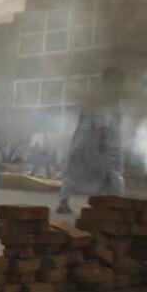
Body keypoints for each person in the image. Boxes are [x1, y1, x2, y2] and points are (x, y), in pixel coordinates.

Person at [57, 67, 126, 214]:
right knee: (113, 172)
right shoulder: (107, 98)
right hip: (103, 141)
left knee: (75, 171)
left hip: (82, 139)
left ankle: (64, 202)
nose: (121, 86)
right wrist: (103, 140)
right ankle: (117, 206)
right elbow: (102, 121)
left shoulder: (94, 97)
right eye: (119, 82)